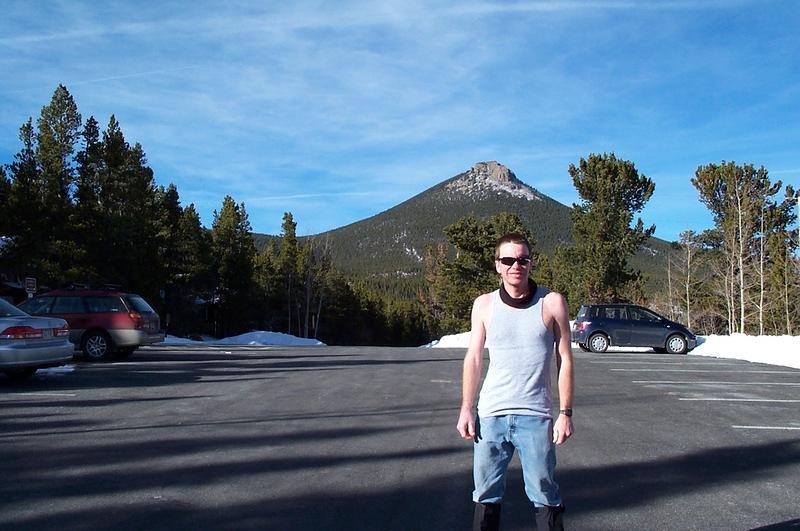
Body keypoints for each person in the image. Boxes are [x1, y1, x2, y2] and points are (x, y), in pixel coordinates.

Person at [456, 233, 574, 531]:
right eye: (507, 260)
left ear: (531, 263)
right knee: (485, 495)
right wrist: (467, 408)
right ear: (497, 265)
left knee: (545, 494)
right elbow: (473, 358)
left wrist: (566, 413)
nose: (515, 265)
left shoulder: (552, 303)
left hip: (535, 417)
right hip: (491, 417)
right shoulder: (484, 305)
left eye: (522, 259)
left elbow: (565, 360)